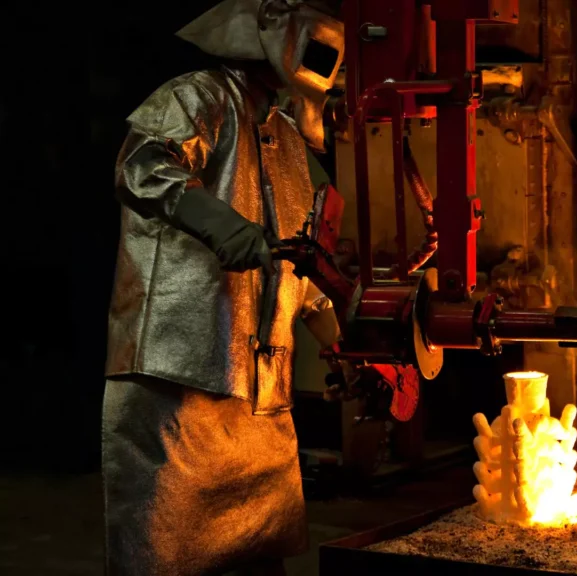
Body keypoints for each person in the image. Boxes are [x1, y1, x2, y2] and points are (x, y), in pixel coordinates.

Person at [102, 1, 344, 574]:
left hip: (259, 393)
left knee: (258, 557)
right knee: (165, 553)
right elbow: (143, 165)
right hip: (179, 379)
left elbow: (296, 256)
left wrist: (336, 332)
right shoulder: (198, 97)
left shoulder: (285, 135)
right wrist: (222, 226)